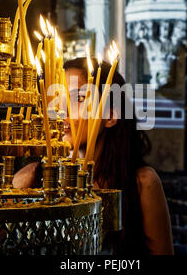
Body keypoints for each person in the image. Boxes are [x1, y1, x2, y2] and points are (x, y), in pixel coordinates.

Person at [13, 57, 174, 255]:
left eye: (79, 98)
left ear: (111, 115)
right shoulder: (33, 178)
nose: (61, 109)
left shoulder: (141, 183)